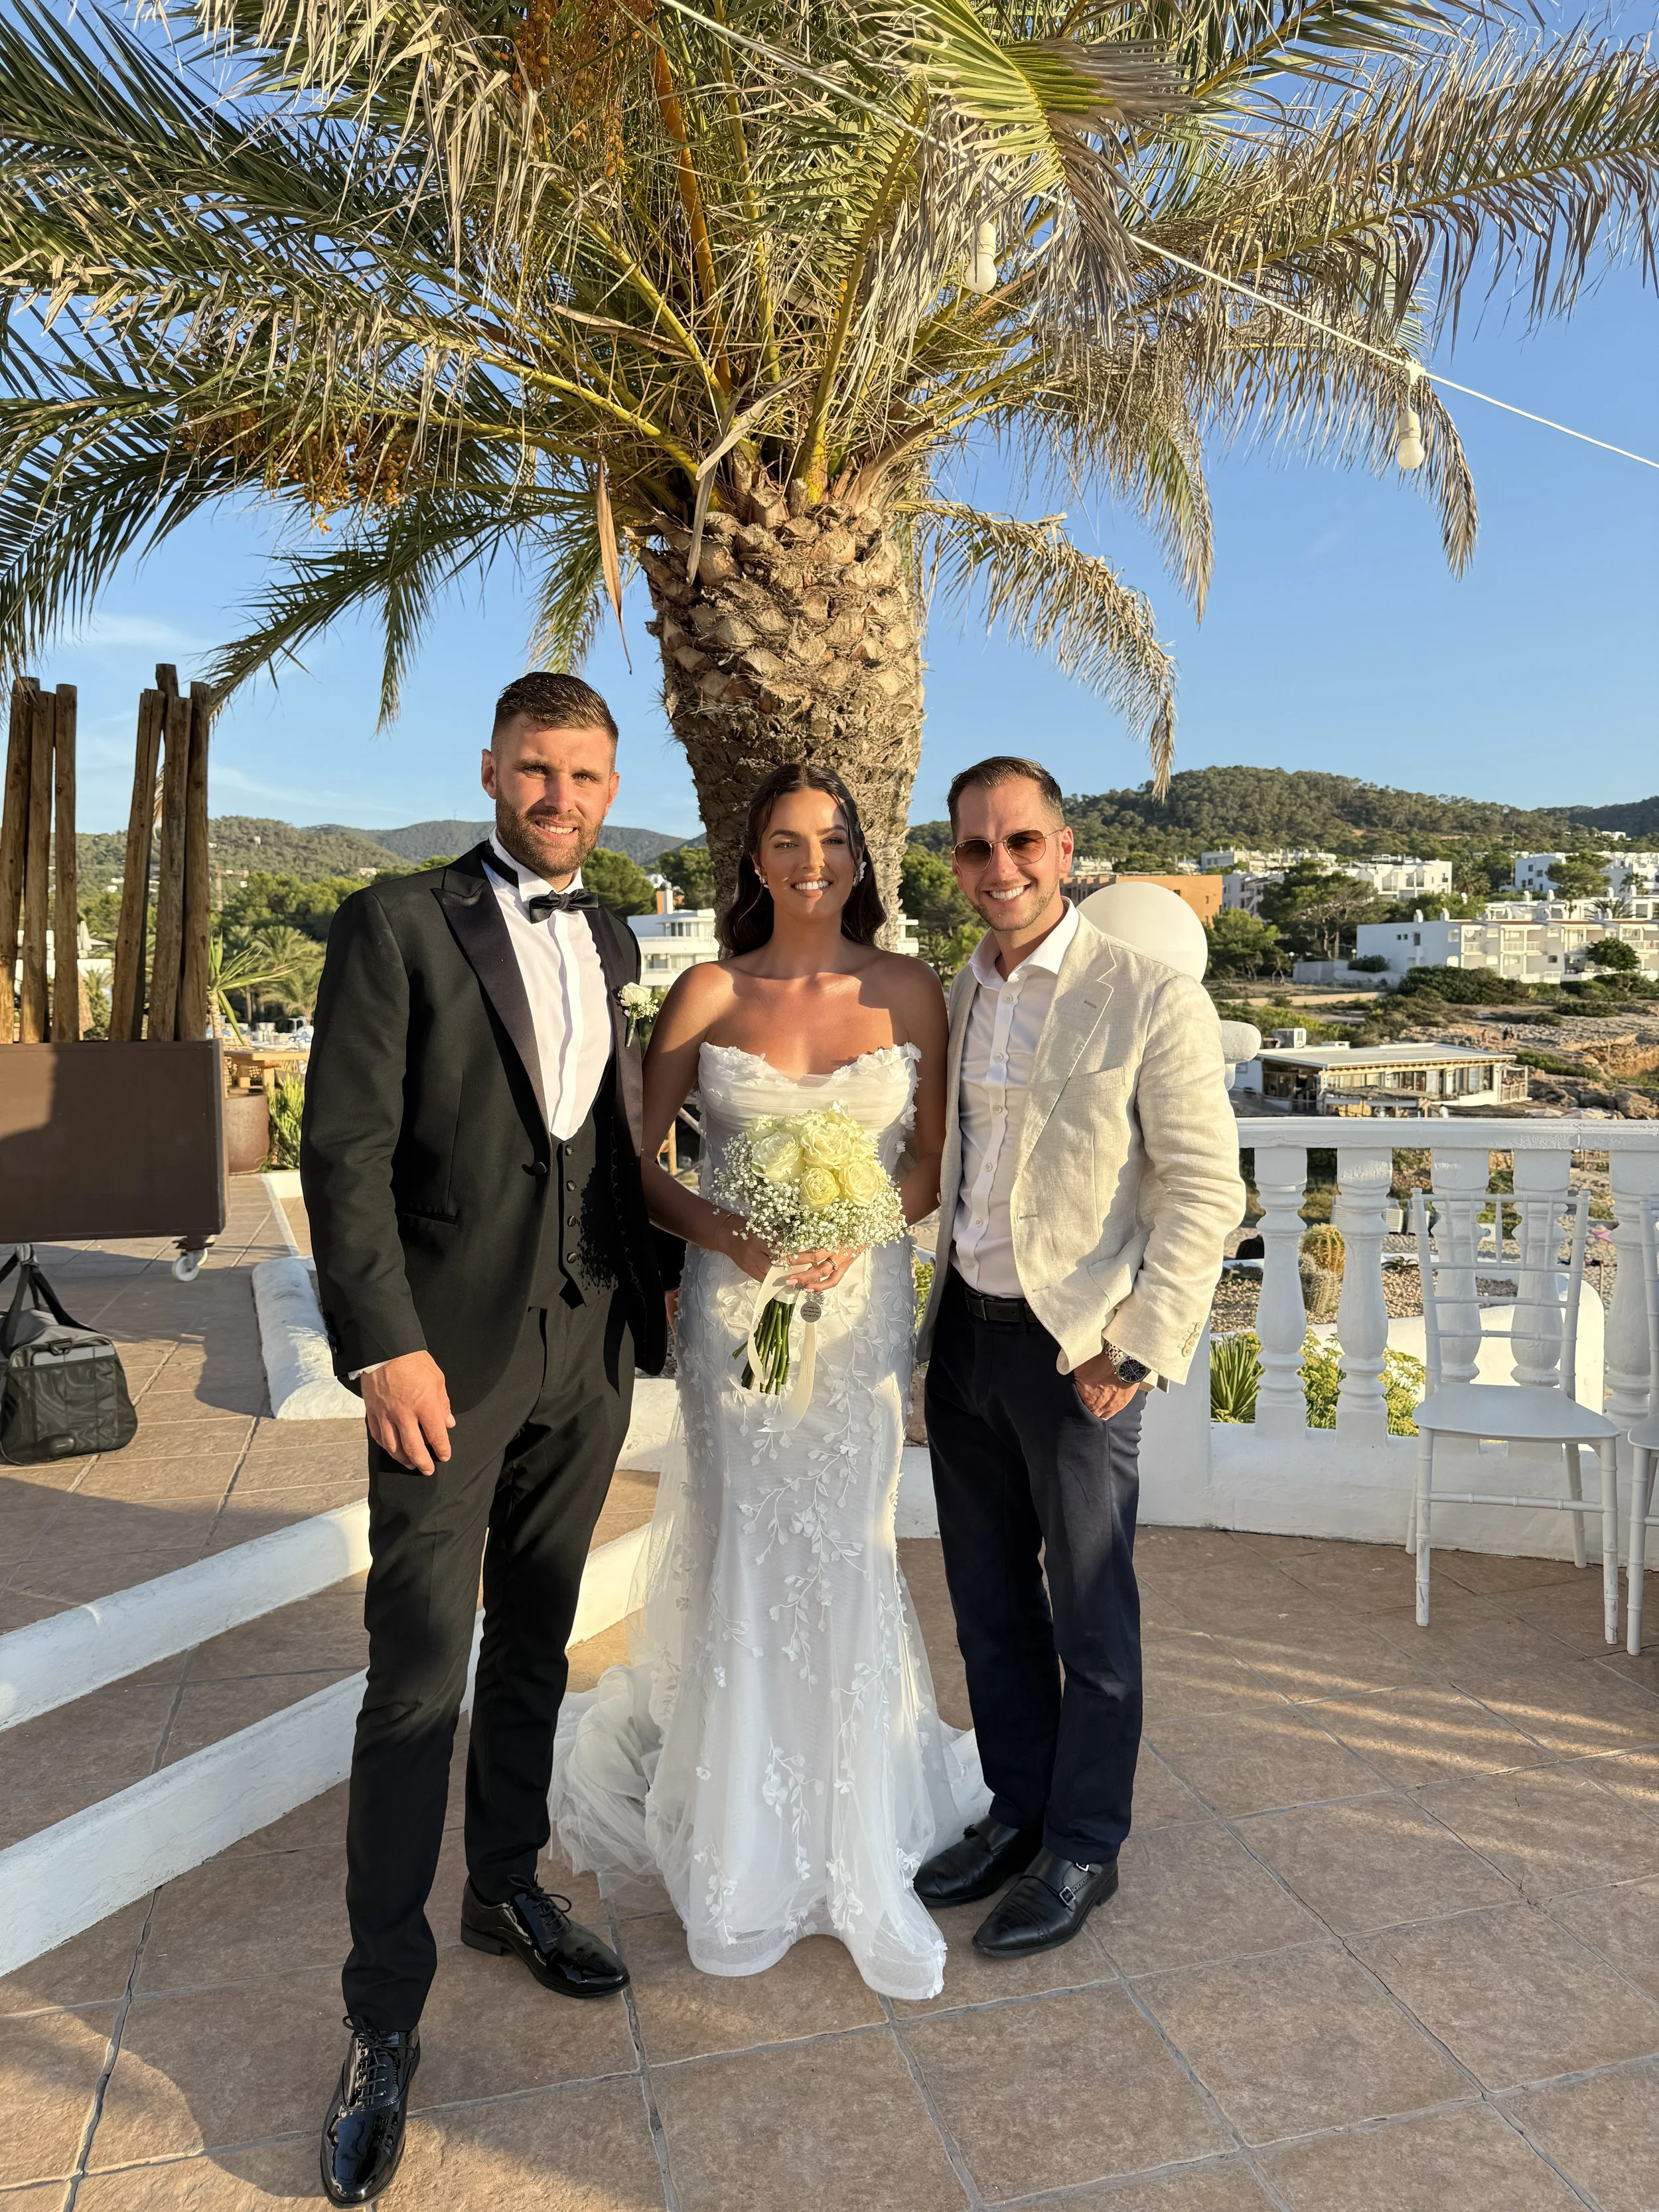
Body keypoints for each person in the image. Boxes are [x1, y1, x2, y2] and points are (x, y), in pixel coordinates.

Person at [301, 672, 674, 2206]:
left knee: (536, 1640)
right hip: (442, 1360)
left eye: (584, 776)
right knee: (412, 1678)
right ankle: (380, 2020)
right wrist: (384, 1342)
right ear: (492, 770)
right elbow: (345, 1148)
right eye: (535, 771)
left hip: (585, 1351)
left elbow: (600, 1136)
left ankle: (504, 1887)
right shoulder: (398, 922)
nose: (559, 799)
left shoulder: (612, 933)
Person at [548, 763, 988, 2000]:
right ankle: (743, 1831)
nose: (812, 862)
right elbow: (636, 1167)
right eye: (787, 842)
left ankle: (858, 1826)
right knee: (751, 1544)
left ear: (861, 856)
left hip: (856, 1309)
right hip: (736, 1307)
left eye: (833, 841)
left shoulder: (910, 990)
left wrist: (858, 1223)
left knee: (847, 1545)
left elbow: (930, 1168)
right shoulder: (706, 990)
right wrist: (736, 1238)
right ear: (753, 860)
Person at [914, 756, 1244, 1958]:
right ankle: (1019, 1812)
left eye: (1020, 844)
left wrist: (1140, 1351)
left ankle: (1085, 1845)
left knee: (1091, 1618)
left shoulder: (1149, 994)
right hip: (963, 1342)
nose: (998, 868)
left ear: (1064, 849)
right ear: (954, 862)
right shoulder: (959, 992)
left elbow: (1207, 1189)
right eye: (973, 848)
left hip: (1077, 1356)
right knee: (990, 1608)